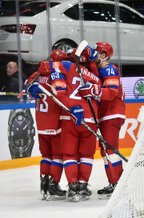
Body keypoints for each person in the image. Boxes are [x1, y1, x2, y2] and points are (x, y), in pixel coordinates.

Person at [37, 53, 102, 202]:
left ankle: (73, 187)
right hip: (90, 117)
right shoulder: (95, 77)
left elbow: (49, 68)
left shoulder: (66, 66)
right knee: (86, 155)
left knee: (69, 155)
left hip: (68, 117)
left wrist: (72, 107)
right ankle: (83, 185)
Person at [78, 42, 126, 199]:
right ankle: (116, 182)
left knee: (109, 150)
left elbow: (112, 92)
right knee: (107, 150)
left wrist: (93, 90)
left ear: (105, 55)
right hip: (108, 115)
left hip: (112, 114)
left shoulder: (109, 68)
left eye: (98, 52)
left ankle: (117, 183)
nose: (94, 55)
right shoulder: (100, 71)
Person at [25, 50, 68, 200]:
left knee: (46, 155)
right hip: (55, 121)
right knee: (57, 155)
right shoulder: (57, 74)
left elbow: (27, 86)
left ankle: (44, 186)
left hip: (41, 122)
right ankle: (53, 185)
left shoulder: (39, 73)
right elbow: (61, 92)